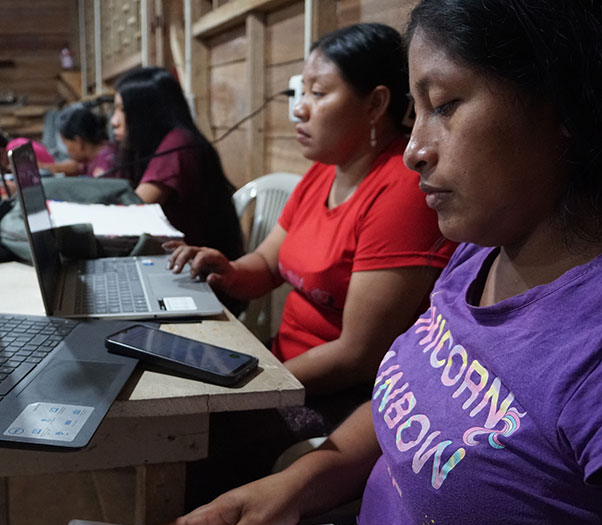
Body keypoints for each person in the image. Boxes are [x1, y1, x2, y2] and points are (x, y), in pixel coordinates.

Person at [167, 1, 602, 525]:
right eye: (416, 111)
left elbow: (356, 356)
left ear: (562, 101)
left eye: (444, 105)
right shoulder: (479, 252)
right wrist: (299, 482)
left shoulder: (586, 354)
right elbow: (409, 400)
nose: (415, 151)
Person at [168, 24, 453, 399]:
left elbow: (358, 357)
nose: (298, 109)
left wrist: (251, 389)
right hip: (281, 366)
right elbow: (267, 264)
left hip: (339, 394)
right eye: (300, 92)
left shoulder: (401, 191)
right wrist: (229, 271)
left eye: (317, 93)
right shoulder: (325, 170)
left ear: (375, 104)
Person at [110, 66, 243, 262]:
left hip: (200, 269)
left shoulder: (179, 144)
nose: (113, 121)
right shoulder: (145, 147)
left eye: (122, 109)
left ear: (146, 112)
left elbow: (136, 211)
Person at [59, 106, 117, 177]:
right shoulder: (106, 151)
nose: (67, 151)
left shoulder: (102, 167)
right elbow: (77, 167)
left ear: (78, 142)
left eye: (65, 144)